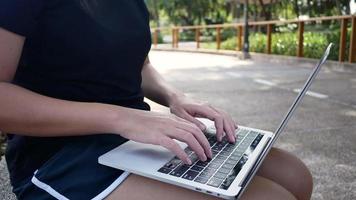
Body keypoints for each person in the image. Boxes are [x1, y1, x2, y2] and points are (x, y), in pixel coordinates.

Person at [0, 0, 313, 199]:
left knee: (295, 177)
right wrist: (122, 117)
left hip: (135, 140)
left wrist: (175, 97)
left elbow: (140, 65)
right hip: (59, 156)